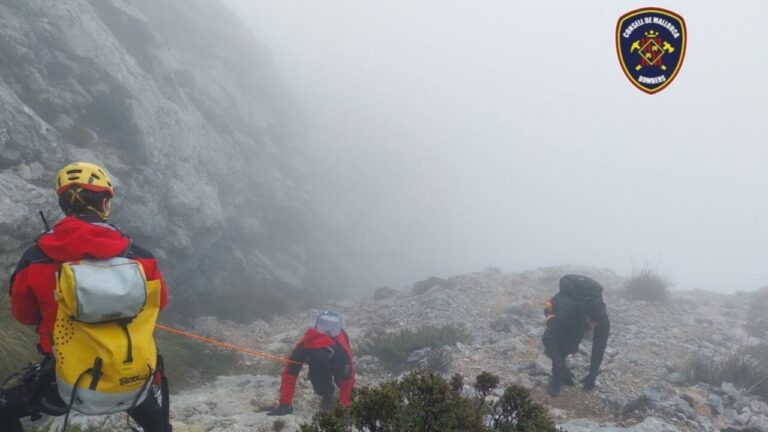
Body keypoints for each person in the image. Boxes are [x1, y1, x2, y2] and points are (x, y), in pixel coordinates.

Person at [1, 162, 171, 431]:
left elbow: (24, 316)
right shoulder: (139, 256)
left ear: (63, 205)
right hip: (132, 376)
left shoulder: (34, 259)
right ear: (105, 203)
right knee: (158, 419)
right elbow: (159, 303)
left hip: (65, 377)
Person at [268, 311, 355, 415]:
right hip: (317, 366)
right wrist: (285, 404)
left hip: (336, 363)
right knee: (320, 387)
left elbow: (348, 379)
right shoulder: (304, 345)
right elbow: (290, 372)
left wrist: (344, 407)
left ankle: (332, 388)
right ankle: (327, 393)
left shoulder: (342, 350)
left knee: (341, 381)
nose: (327, 332)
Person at [542, 274, 610, 397]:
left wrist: (592, 374)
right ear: (586, 315)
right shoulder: (568, 311)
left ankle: (561, 368)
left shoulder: (602, 318)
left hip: (577, 318)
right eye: (592, 322)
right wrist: (560, 364)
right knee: (561, 342)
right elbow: (547, 338)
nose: (594, 326)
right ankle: (557, 378)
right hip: (553, 309)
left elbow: (599, 346)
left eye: (596, 324)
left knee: (573, 343)